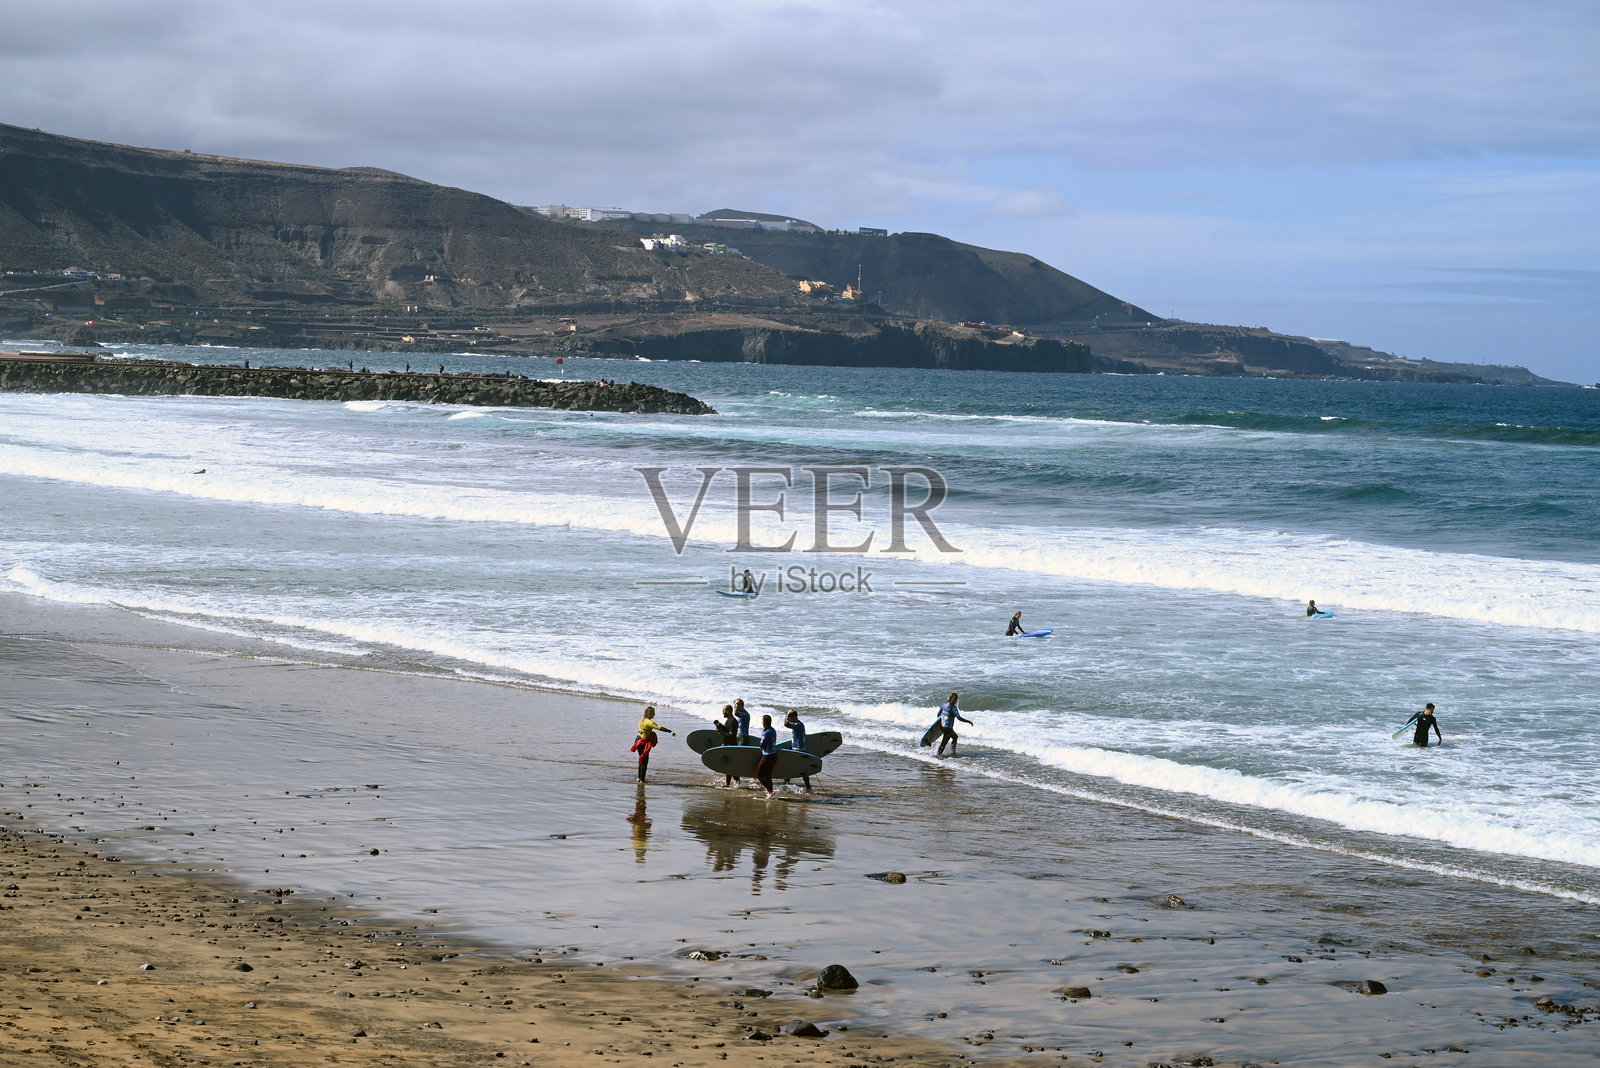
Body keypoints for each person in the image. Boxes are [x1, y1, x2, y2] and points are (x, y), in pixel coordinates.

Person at [934, 692, 972, 757]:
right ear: (955, 700)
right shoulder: (953, 708)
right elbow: (959, 718)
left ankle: (948, 753)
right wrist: (968, 721)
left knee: (953, 737)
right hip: (948, 728)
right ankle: (946, 754)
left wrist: (941, 723)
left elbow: (938, 714)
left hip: (942, 726)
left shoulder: (944, 705)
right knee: (945, 742)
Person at [785, 708, 813, 792]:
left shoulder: (798, 725)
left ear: (793, 717)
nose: (789, 719)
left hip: (799, 750)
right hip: (796, 749)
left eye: (789, 717)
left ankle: (808, 788)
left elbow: (786, 724)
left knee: (801, 769)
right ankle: (786, 785)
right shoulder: (798, 724)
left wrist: (786, 715)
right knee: (790, 768)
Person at [755, 714, 780, 799]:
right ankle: (771, 792)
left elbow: (761, 744)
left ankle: (770, 791)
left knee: (759, 774)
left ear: (764, 722)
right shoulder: (773, 730)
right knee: (767, 775)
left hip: (768, 756)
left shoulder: (766, 732)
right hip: (774, 755)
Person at [717, 705, 742, 788]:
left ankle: (738, 781)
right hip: (728, 745)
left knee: (729, 765)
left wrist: (721, 733)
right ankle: (729, 783)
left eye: (723, 711)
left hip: (732, 746)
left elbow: (731, 735)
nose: (722, 712)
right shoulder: (729, 720)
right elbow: (727, 733)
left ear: (728, 711)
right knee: (728, 764)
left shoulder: (732, 721)